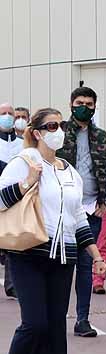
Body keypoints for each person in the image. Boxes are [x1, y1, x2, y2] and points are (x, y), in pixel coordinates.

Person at [1, 108, 106, 354]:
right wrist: (25, 184)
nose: (58, 130)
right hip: (29, 253)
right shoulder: (22, 164)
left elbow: (78, 218)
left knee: (54, 326)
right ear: (36, 132)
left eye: (60, 125)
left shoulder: (69, 171)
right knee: (35, 323)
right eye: (51, 125)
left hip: (64, 256)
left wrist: (96, 255)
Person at [56, 86, 106, 339]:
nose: (84, 107)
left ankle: (83, 319)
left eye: (89, 104)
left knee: (86, 266)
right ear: (71, 104)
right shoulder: (57, 132)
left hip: (91, 210)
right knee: (61, 267)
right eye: (80, 102)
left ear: (95, 107)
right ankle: (57, 317)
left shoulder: (102, 137)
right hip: (61, 212)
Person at [0, 102, 24, 299]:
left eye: (10, 113)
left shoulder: (22, 143)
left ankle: (12, 283)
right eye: (3, 113)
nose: (7, 116)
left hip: (15, 198)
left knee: (11, 241)